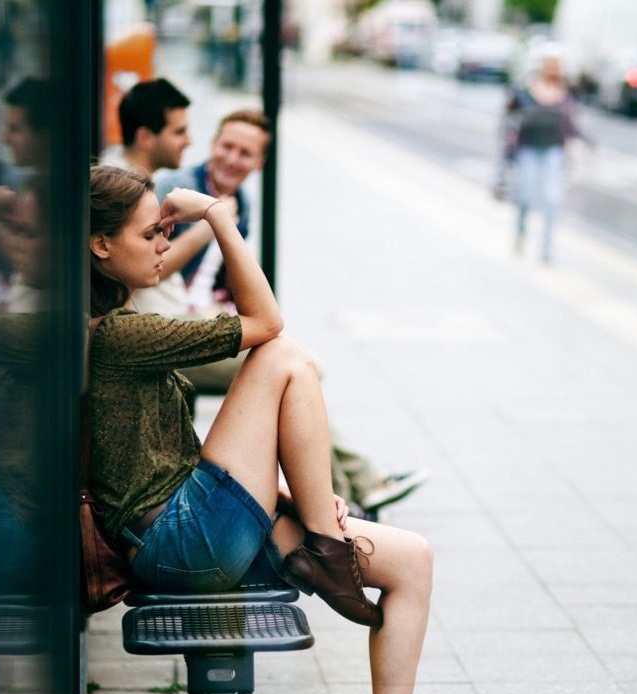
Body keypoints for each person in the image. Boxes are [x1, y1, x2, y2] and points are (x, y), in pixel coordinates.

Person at [86, 163, 486, 694]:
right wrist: (217, 215)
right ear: (100, 246)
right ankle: (326, 548)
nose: (164, 245)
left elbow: (190, 454)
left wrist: (294, 495)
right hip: (178, 541)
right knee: (283, 355)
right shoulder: (121, 337)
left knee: (412, 559)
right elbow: (266, 322)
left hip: (200, 527)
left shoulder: (123, 327)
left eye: (164, 232)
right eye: (149, 235)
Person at [111, 80, 429, 518]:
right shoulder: (176, 191)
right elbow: (157, 269)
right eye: (222, 146)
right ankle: (340, 502)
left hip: (185, 320)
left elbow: (220, 284)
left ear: (260, 163)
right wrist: (213, 221)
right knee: (291, 368)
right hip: (167, 329)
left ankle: (351, 490)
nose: (229, 158)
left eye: (245, 153)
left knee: (293, 364)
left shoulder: (238, 201)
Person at [506, 46, 584, 263]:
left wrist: (581, 141)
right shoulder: (526, 88)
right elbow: (510, 116)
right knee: (526, 194)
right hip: (528, 147)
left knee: (552, 198)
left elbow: (572, 121)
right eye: (549, 64)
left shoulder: (566, 91)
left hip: (554, 148)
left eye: (556, 65)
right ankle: (521, 232)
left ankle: (546, 249)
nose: (552, 69)